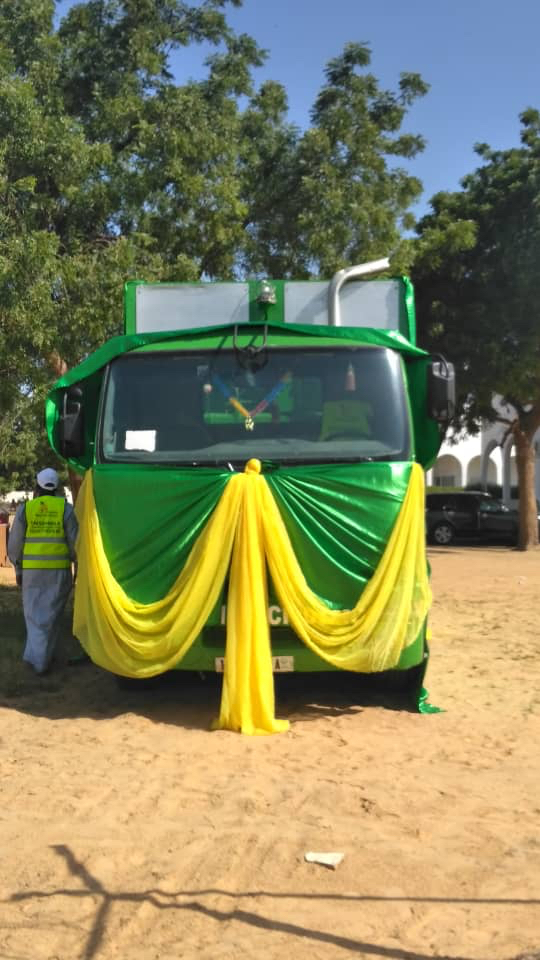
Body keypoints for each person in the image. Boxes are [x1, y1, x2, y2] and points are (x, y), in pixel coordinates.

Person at [8, 468, 78, 675]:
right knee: (51, 615)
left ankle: (38, 662)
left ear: (36, 487)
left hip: (32, 572)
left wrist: (18, 569)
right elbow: (76, 543)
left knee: (33, 616)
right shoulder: (66, 510)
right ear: (56, 488)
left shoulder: (25, 510)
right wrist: (78, 567)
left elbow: (14, 546)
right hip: (58, 572)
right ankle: (40, 659)